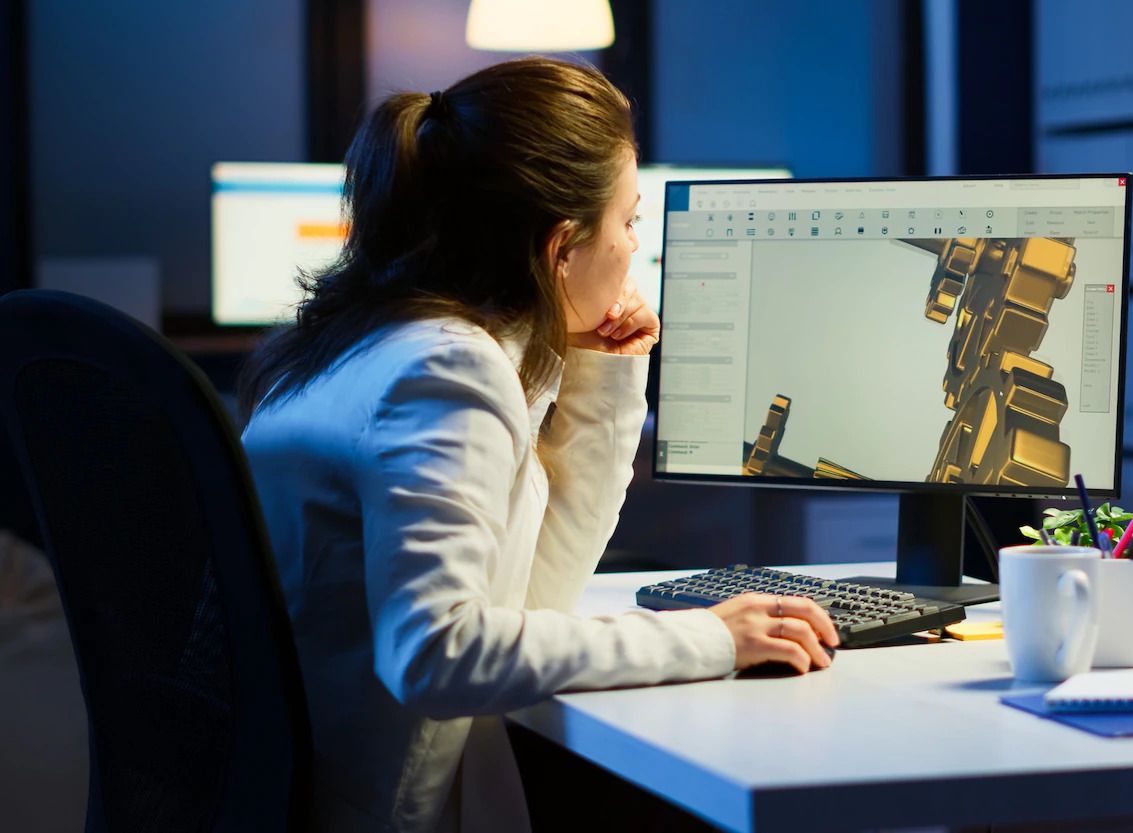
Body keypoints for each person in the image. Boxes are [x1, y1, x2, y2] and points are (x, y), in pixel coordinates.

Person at [237, 57, 839, 833]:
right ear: (561, 247)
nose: (634, 248)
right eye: (628, 221)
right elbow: (437, 652)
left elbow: (531, 598)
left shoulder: (366, 339)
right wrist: (710, 635)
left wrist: (604, 374)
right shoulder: (446, 367)